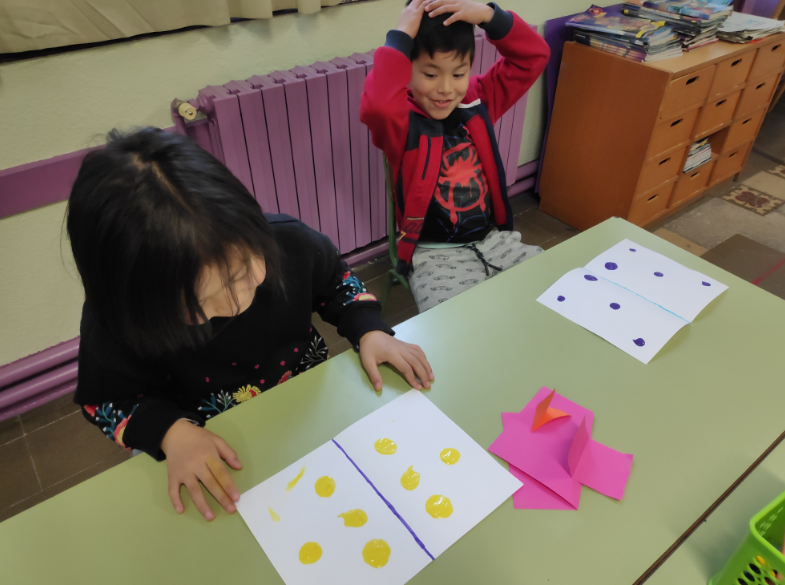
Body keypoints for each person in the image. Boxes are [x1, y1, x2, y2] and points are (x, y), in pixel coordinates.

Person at [67, 127, 433, 521]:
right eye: (194, 305)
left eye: (243, 271)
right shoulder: (117, 323)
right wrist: (170, 433)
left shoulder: (288, 242)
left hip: (303, 411)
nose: (234, 301)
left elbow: (335, 281)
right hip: (209, 445)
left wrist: (369, 328)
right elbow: (106, 400)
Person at [361, 0, 550, 312]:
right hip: (435, 255)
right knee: (453, 326)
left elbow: (533, 56)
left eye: (459, 73)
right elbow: (376, 106)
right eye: (430, 74)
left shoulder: (476, 101)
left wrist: (489, 15)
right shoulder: (400, 123)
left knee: (556, 291)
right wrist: (399, 37)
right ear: (406, 70)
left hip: (495, 241)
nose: (446, 89)